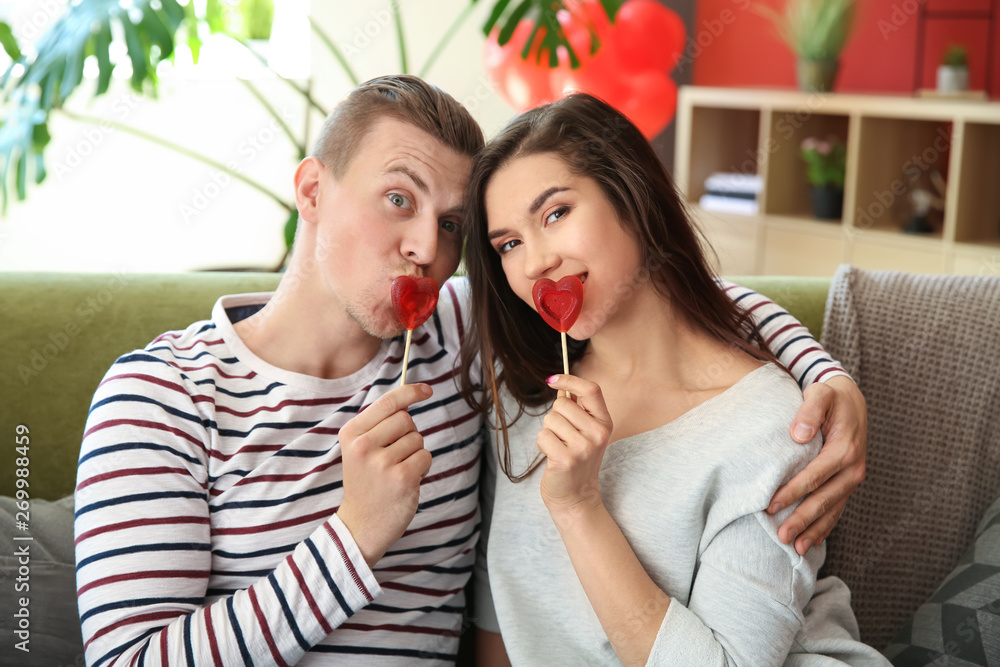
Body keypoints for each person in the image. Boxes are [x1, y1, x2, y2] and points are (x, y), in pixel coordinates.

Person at [75, 75, 863, 666]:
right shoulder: (160, 395)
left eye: (454, 225)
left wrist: (822, 371)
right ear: (312, 190)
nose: (426, 246)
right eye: (396, 199)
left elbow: (645, 295)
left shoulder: (466, 343)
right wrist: (352, 540)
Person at [458, 93, 889, 665]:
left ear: (633, 199)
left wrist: (580, 505)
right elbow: (503, 624)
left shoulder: (773, 429)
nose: (534, 262)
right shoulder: (518, 398)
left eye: (556, 213)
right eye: (509, 244)